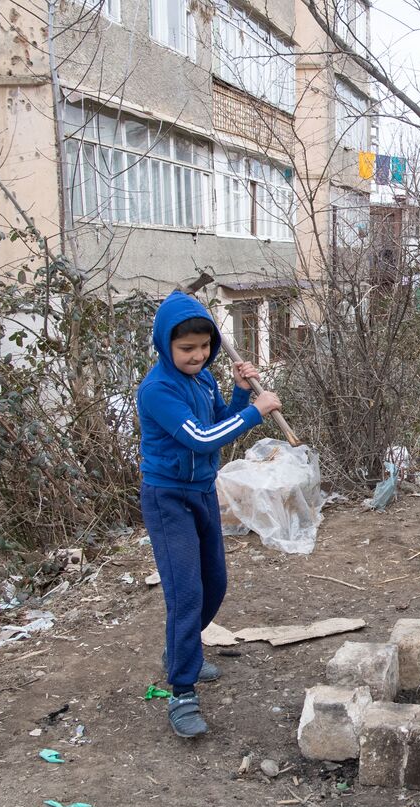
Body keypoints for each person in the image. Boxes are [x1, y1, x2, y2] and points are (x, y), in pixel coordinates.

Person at [137, 290, 283, 738]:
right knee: (186, 594)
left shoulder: (200, 380)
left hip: (200, 492)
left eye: (204, 347)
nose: (197, 355)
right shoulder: (158, 389)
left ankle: (180, 651)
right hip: (167, 498)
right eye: (187, 349)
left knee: (214, 584)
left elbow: (219, 418)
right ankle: (181, 690)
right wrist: (256, 413)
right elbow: (201, 438)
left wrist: (241, 397)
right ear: (165, 346)